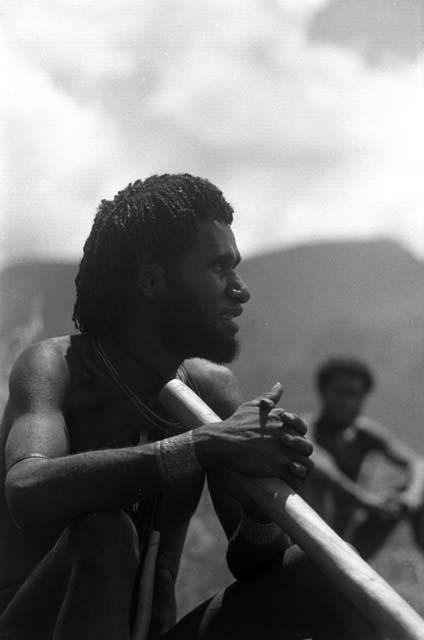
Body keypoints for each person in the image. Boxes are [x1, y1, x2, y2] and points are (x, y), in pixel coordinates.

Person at [0, 175, 379, 640]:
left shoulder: (211, 391)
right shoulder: (57, 368)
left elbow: (252, 562)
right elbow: (26, 489)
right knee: (103, 532)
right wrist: (201, 447)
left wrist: (265, 503)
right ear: (151, 278)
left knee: (326, 572)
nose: (240, 291)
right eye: (218, 268)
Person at [303, 356, 424, 559]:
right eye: (339, 392)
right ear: (323, 392)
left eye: (354, 394)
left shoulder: (363, 433)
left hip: (351, 541)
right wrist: (367, 501)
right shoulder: (305, 429)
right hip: (312, 543)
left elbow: (417, 463)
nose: (346, 402)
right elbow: (324, 468)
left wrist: (410, 498)